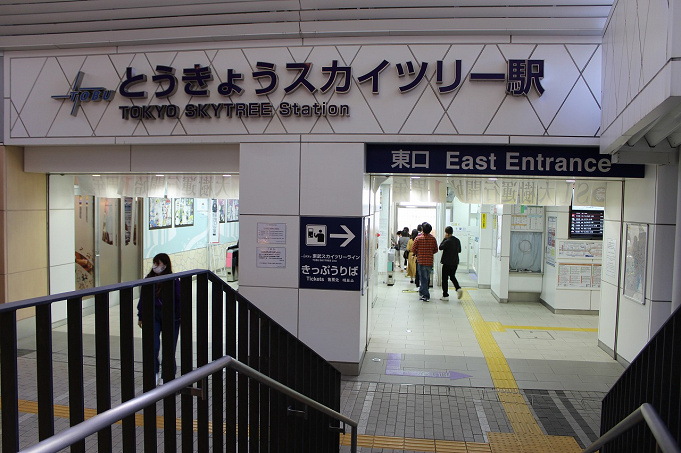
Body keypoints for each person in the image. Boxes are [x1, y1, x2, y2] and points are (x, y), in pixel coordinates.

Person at [137, 253, 181, 386]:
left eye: (159, 263)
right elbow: (143, 300)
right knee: (153, 345)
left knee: (169, 347)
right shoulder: (149, 280)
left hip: (171, 316)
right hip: (153, 315)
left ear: (165, 265)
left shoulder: (173, 280)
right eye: (154, 263)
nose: (156, 266)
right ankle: (154, 372)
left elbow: (179, 299)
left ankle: (167, 374)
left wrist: (179, 315)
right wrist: (141, 316)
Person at [411, 222, 438, 302]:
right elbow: (436, 249)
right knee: (427, 278)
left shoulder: (418, 238)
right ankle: (422, 291)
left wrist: (419, 252)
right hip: (429, 262)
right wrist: (429, 252)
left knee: (423, 279)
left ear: (423, 229)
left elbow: (413, 249)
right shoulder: (433, 238)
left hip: (421, 261)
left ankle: (426, 295)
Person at [439, 226, 463, 300]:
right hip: (455, 262)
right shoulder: (457, 240)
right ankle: (458, 288)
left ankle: (445, 295)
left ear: (446, 233)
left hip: (447, 262)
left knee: (445, 279)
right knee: (452, 276)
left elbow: (440, 247)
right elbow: (459, 250)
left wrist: (444, 239)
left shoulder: (447, 241)